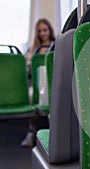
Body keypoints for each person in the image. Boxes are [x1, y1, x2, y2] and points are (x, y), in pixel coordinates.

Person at [21, 18, 55, 147]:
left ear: (49, 31)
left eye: (45, 30)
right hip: (35, 83)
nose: (42, 33)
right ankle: (31, 131)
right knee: (30, 97)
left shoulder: (56, 46)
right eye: (40, 31)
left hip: (51, 82)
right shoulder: (32, 49)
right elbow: (26, 68)